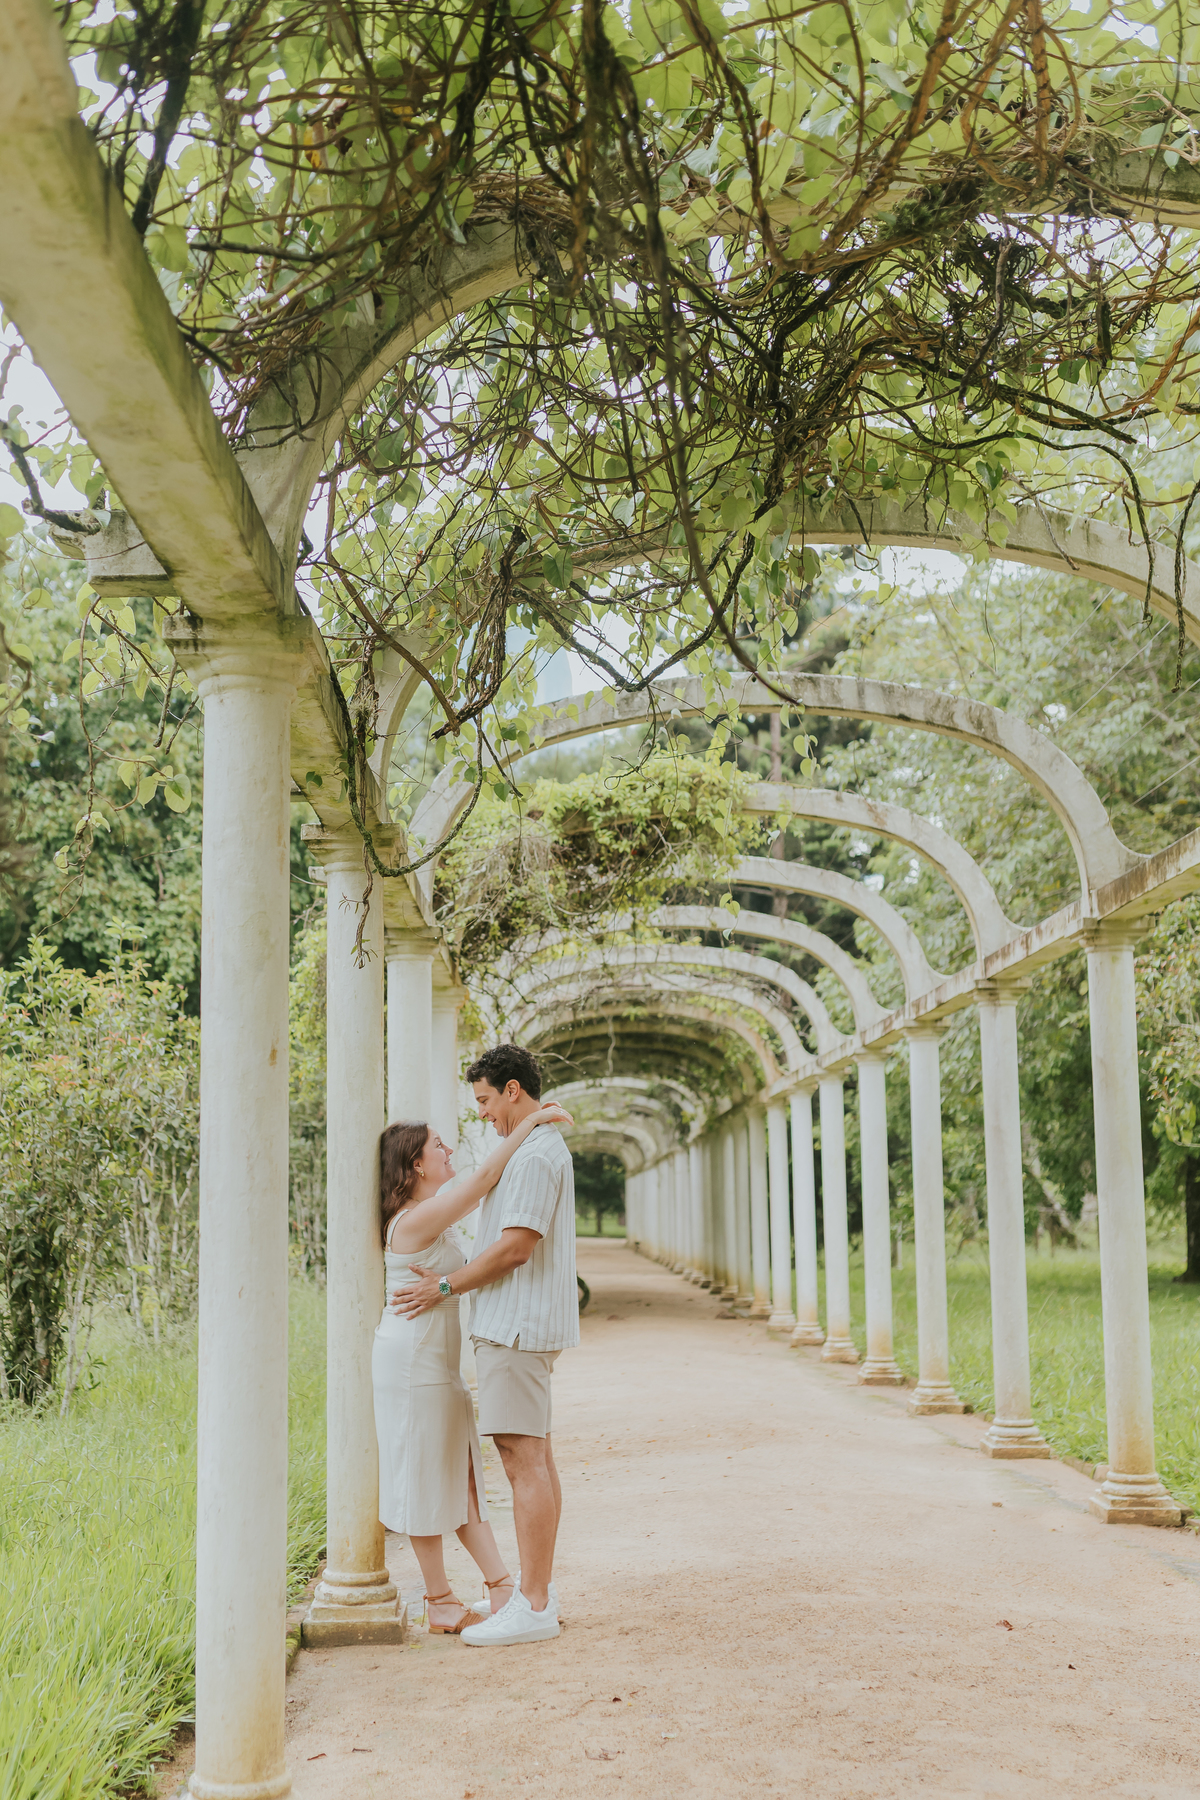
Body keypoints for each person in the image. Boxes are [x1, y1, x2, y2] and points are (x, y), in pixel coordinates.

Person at [392, 1042, 578, 1648]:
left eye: (484, 1100)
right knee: (533, 1460)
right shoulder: (528, 1148)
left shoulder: (531, 1158)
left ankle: (532, 1603)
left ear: (512, 1091)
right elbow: (480, 1180)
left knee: (525, 1462)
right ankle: (529, 1593)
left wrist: (444, 1284)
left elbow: (515, 1247)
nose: (481, 1116)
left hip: (514, 1327)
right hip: (509, 1328)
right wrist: (530, 1122)